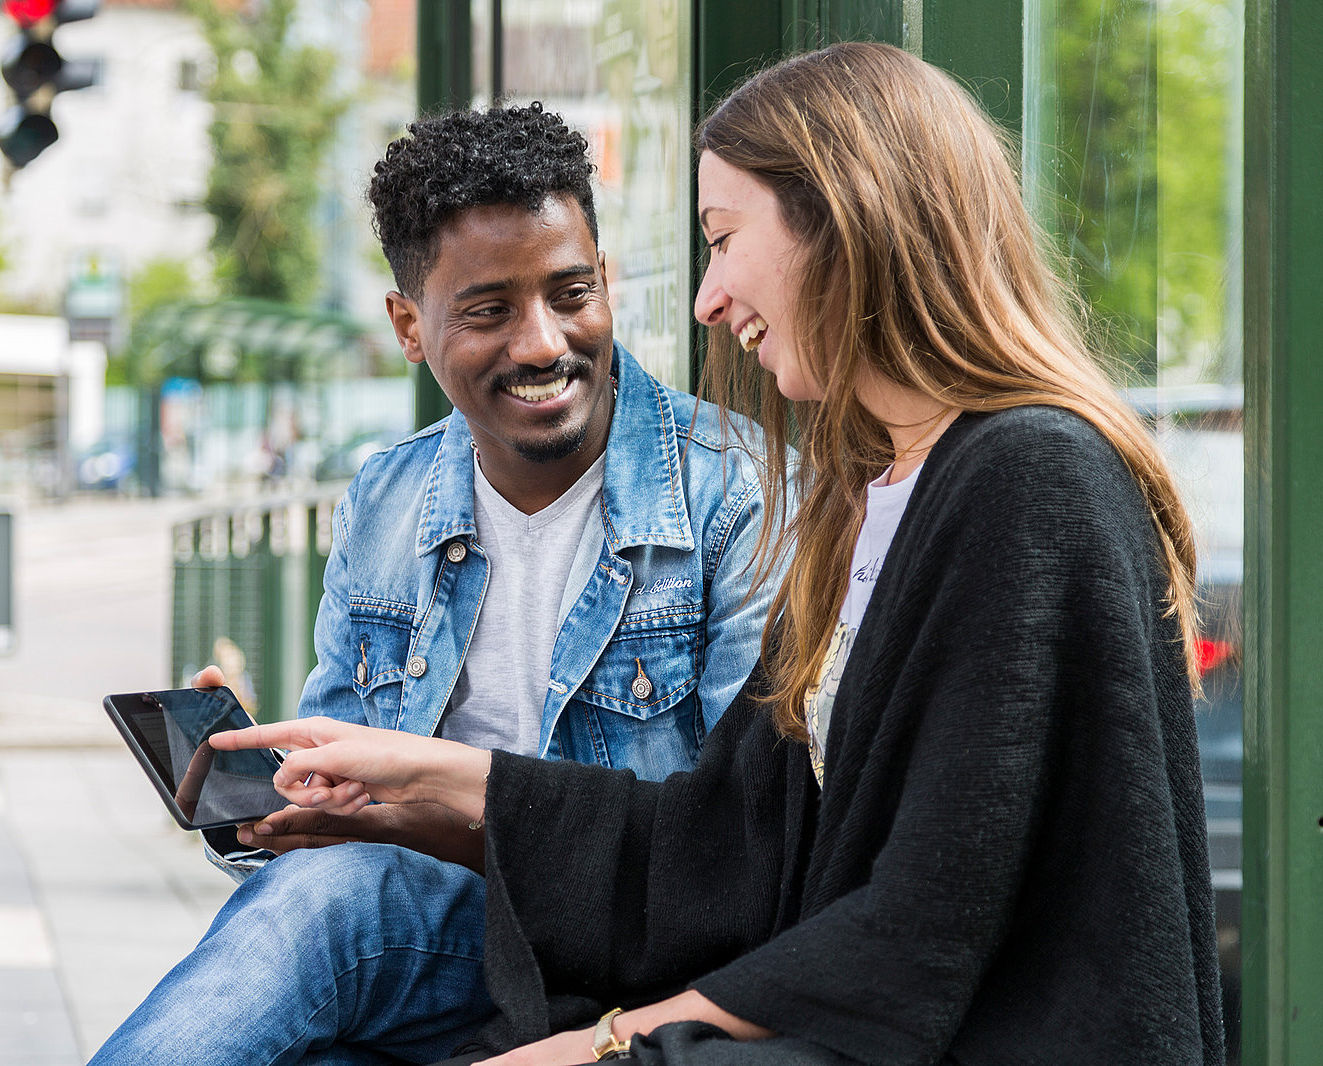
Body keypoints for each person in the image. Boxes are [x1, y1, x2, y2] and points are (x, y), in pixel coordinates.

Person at [208, 42, 1225, 1066]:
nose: (704, 299)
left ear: (844, 224)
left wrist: (605, 1044)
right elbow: (736, 842)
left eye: (724, 239)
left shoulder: (1026, 475)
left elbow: (918, 926)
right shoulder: (864, 498)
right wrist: (421, 782)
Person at [90, 103, 778, 1066]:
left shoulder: (737, 491)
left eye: (571, 293)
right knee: (319, 920)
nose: (543, 344)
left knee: (335, 905)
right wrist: (268, 805)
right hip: (451, 951)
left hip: (640, 965)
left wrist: (418, 819)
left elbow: (727, 851)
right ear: (410, 327)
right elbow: (343, 813)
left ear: (608, 283)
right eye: (490, 311)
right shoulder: (388, 495)